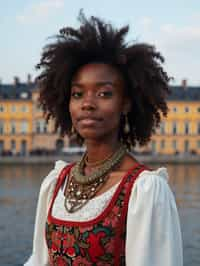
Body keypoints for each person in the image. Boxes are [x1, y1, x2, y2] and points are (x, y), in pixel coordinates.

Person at [24, 11, 183, 266]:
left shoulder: (144, 192)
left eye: (104, 93)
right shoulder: (55, 183)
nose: (87, 104)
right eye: (77, 94)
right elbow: (39, 260)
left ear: (126, 104)